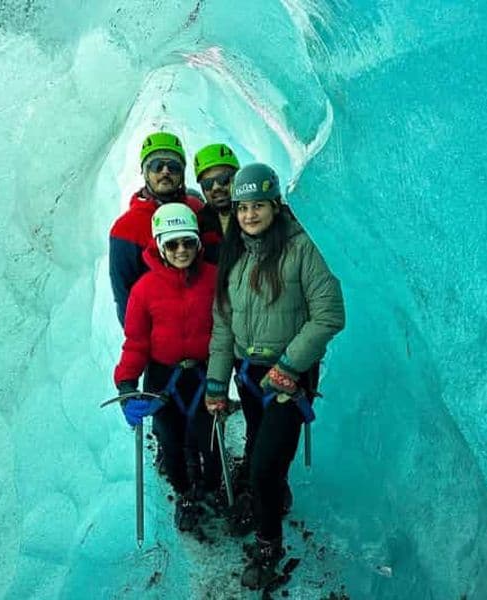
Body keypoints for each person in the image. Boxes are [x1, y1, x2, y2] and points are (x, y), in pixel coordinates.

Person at [204, 163, 345, 589]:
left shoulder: (302, 248)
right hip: (249, 376)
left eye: (258, 206)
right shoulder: (235, 254)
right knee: (257, 446)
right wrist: (216, 383)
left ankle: (268, 546)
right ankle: (271, 500)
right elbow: (223, 325)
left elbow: (329, 314)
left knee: (263, 467)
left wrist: (289, 366)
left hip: (289, 380)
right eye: (243, 207)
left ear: (275, 204)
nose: (249, 215)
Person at [114, 202, 221, 532]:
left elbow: (226, 327)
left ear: (198, 243)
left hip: (203, 374)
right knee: (170, 441)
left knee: (210, 439)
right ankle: (185, 492)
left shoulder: (214, 280)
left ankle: (213, 487)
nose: (181, 250)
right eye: (172, 244)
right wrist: (127, 384)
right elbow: (136, 342)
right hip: (164, 378)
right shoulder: (144, 290)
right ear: (159, 245)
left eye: (188, 242)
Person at [109, 131, 221, 327]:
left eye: (174, 167)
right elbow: (124, 296)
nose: (165, 172)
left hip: (207, 338)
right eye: (156, 166)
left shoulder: (198, 211)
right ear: (144, 172)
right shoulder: (126, 228)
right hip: (160, 345)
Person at [192, 142, 240, 263]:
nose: (216, 187)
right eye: (207, 183)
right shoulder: (200, 225)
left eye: (223, 179)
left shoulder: (257, 215)